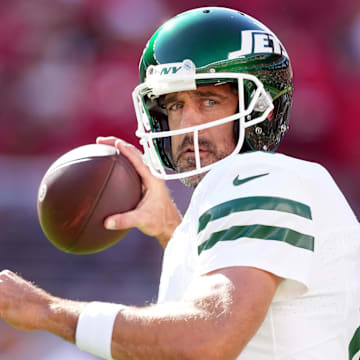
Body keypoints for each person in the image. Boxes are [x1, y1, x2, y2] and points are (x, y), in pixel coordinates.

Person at [0, 6, 359, 360]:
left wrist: (46, 311)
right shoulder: (263, 189)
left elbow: (205, 341)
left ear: (258, 108)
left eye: (209, 100)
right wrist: (170, 227)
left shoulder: (262, 179)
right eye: (173, 106)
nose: (187, 124)